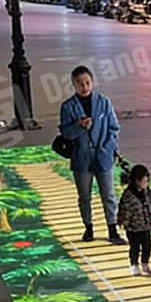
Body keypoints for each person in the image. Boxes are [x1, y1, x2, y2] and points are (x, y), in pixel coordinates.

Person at [59, 65, 125, 244]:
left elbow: (114, 128)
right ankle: (88, 227)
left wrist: (108, 148)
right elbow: (66, 133)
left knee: (108, 194)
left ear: (92, 82)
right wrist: (79, 127)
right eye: (80, 83)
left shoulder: (103, 102)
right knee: (84, 195)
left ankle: (112, 228)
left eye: (87, 82)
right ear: (74, 85)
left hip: (103, 156)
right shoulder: (68, 107)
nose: (84, 87)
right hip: (82, 158)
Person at [116, 164, 151, 276]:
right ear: (137, 181)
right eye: (144, 181)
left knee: (147, 246)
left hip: (146, 225)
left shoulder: (147, 191)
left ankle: (145, 263)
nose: (146, 184)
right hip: (133, 228)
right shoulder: (128, 195)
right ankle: (134, 264)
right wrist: (123, 221)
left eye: (147, 181)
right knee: (135, 248)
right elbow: (123, 209)